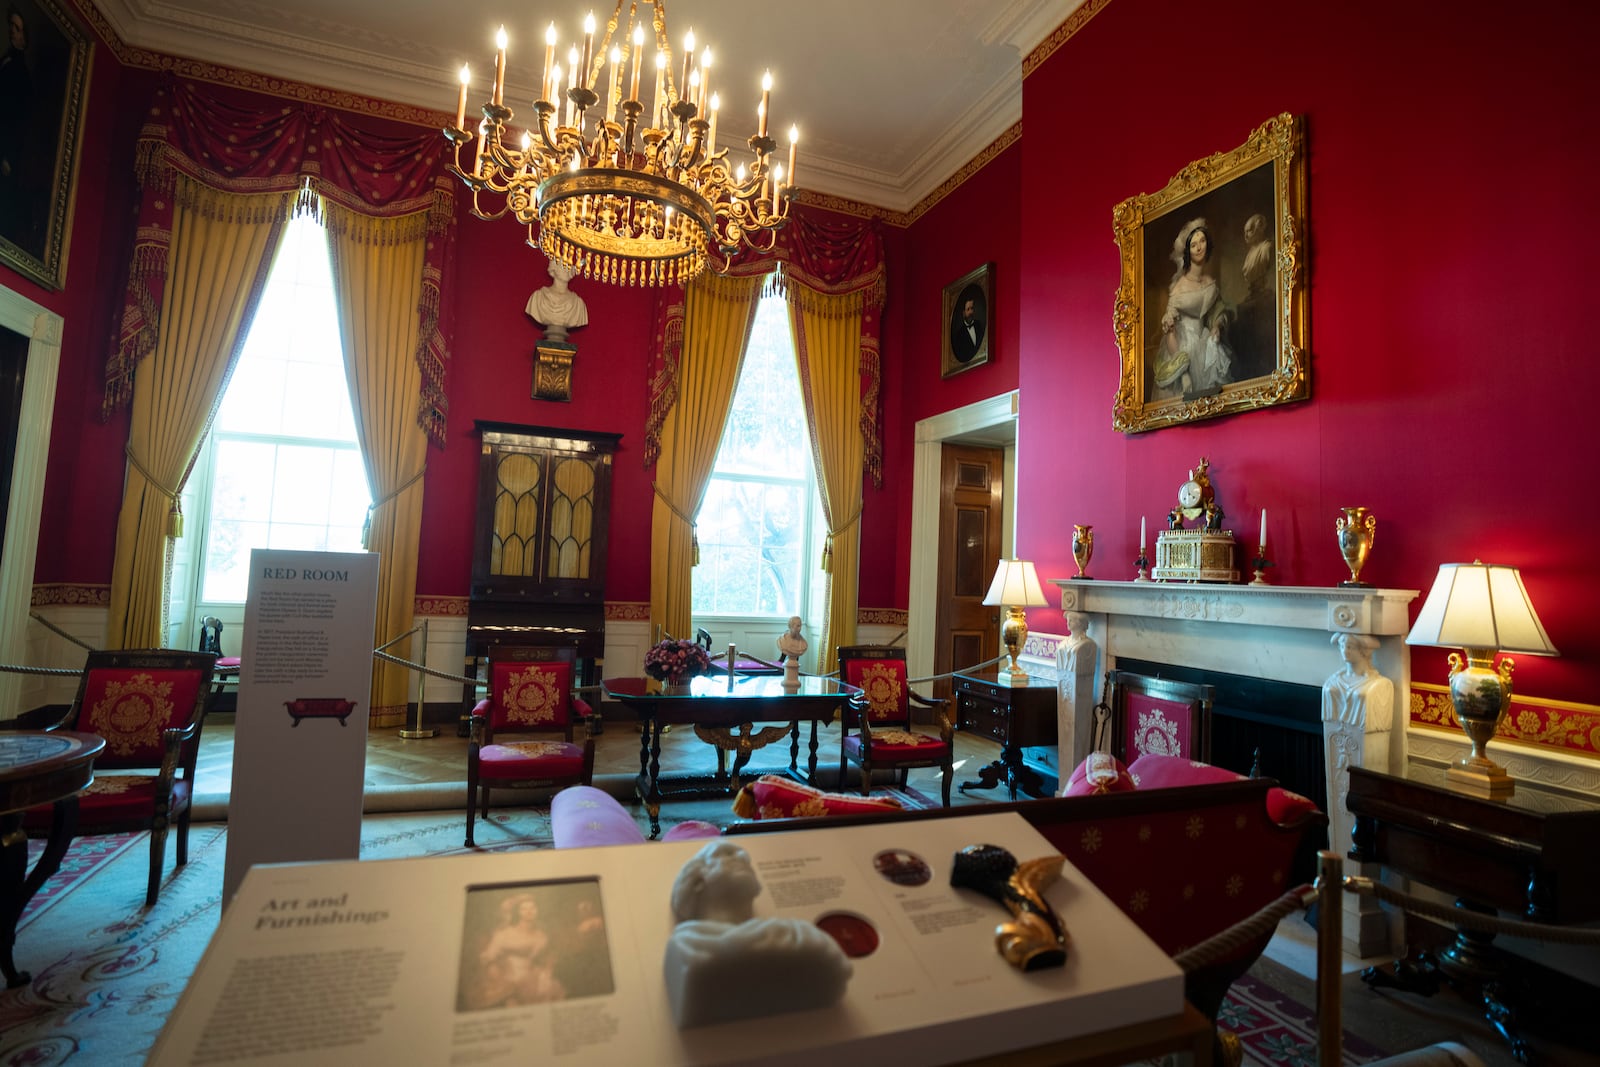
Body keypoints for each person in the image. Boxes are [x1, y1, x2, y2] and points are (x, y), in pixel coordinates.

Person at [662, 841, 852, 1028]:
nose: (743, 857)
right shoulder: (691, 946)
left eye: (743, 856)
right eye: (727, 854)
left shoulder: (801, 937)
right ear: (698, 880)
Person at [1152, 218, 1232, 399]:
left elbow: (1217, 310)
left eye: (1202, 241)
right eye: (1193, 245)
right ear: (1187, 251)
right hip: (1182, 348)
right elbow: (1170, 332)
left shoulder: (1211, 283)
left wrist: (1216, 326)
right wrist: (1184, 373)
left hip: (1205, 344)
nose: (1198, 248)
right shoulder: (1179, 289)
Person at [475, 892, 565, 1008]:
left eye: (533, 908)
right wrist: (500, 978)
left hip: (534, 979)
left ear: (537, 910)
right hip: (509, 980)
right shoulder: (504, 934)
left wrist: (546, 975)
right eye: (524, 909)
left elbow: (546, 960)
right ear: (518, 912)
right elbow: (489, 959)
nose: (529, 912)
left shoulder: (541, 935)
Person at [0, 6, 31, 244]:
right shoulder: (6, 61)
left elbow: (17, 118)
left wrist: (7, 154)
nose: (12, 31)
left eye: (17, 28)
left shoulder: (21, 72)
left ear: (25, 36)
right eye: (11, 25)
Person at [1234, 212, 1276, 381]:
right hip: (1252, 297)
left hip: (1262, 295)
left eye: (1250, 230)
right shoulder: (1251, 253)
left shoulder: (1267, 249)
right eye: (1245, 231)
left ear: (1259, 229)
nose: (1246, 235)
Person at [524, 256, 588, 342]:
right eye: (563, 266)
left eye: (569, 266)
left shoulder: (578, 304)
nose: (567, 269)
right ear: (553, 270)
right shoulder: (538, 297)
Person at [948, 289, 985, 364]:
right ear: (964, 313)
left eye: (972, 308)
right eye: (968, 309)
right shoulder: (960, 334)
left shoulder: (979, 325)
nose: (971, 312)